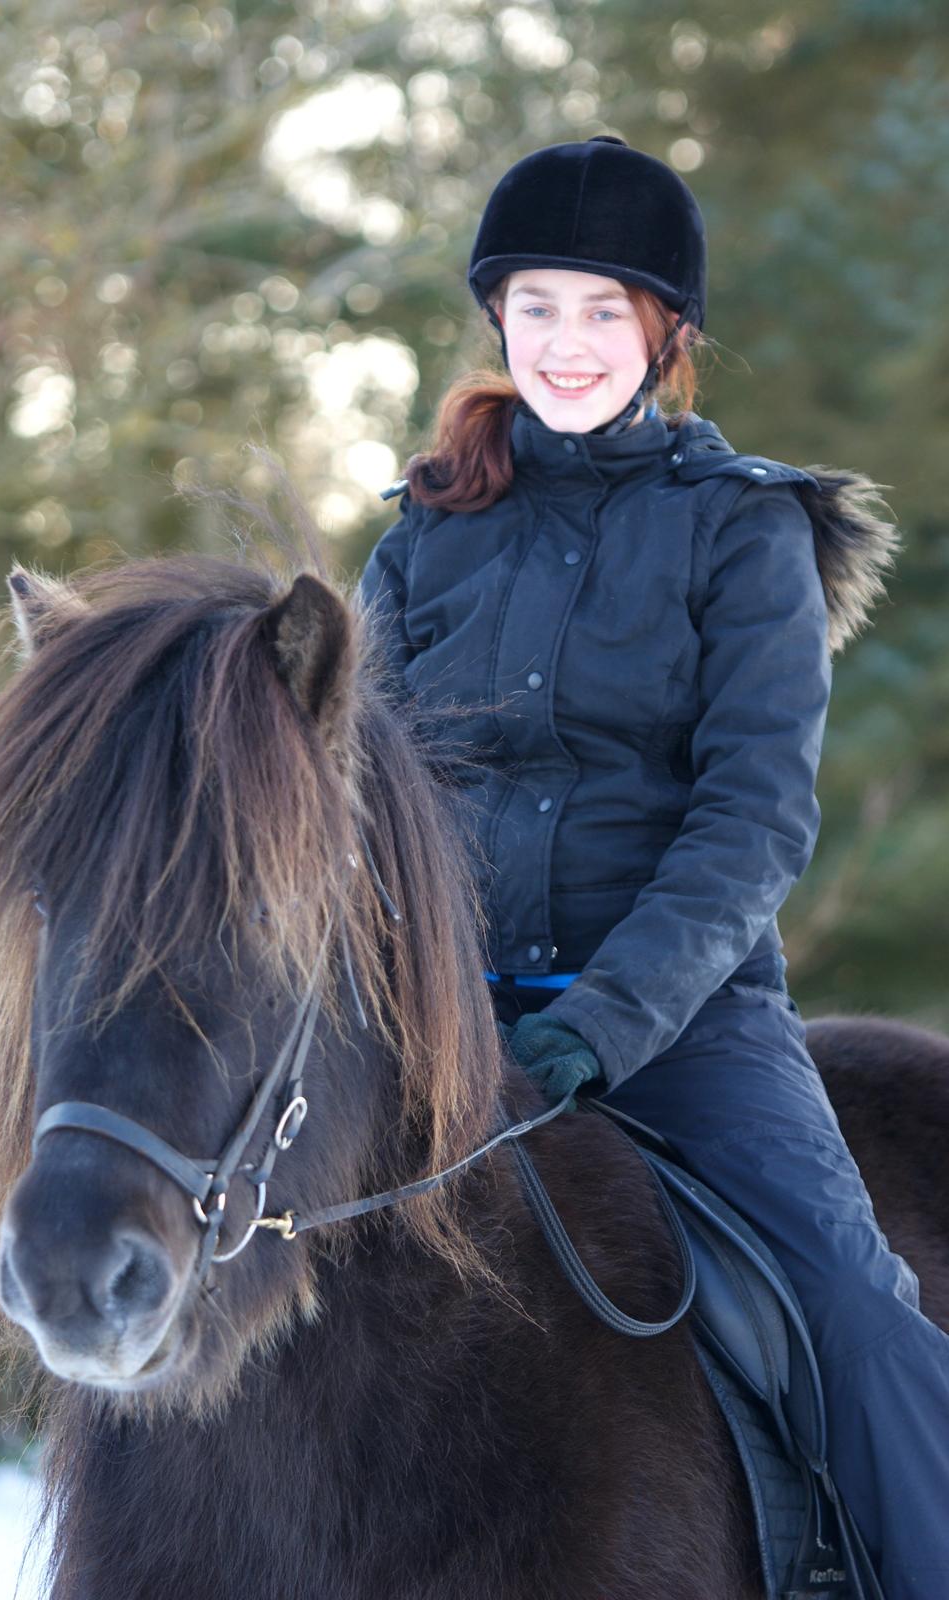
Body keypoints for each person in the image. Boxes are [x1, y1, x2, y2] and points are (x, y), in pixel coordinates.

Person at [358, 136, 949, 1599]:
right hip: (443, 1025)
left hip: (686, 1028)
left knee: (856, 1310)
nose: (565, 344)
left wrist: (601, 1022)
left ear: (663, 334)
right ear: (501, 320)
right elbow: (350, 799)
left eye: (602, 310)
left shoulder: (742, 532)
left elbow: (751, 825)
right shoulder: (428, 535)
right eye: (538, 306)